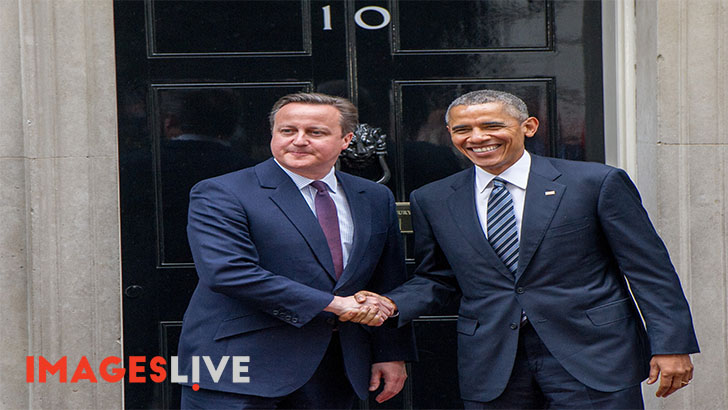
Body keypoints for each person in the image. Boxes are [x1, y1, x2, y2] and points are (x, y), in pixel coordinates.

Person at [355, 90, 699, 409]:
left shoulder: (596, 183)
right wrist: (392, 303)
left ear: (528, 126)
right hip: (493, 361)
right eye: (463, 130)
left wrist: (671, 344)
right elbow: (438, 277)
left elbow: (649, 270)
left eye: (492, 125)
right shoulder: (432, 199)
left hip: (593, 354)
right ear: (450, 134)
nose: (477, 138)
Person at [177, 92, 416, 409]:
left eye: (315, 132)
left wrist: (390, 353)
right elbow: (228, 273)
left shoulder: (373, 197)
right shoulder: (221, 192)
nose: (299, 141)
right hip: (235, 369)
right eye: (288, 131)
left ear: (346, 139)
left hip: (336, 370)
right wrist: (336, 305)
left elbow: (388, 278)